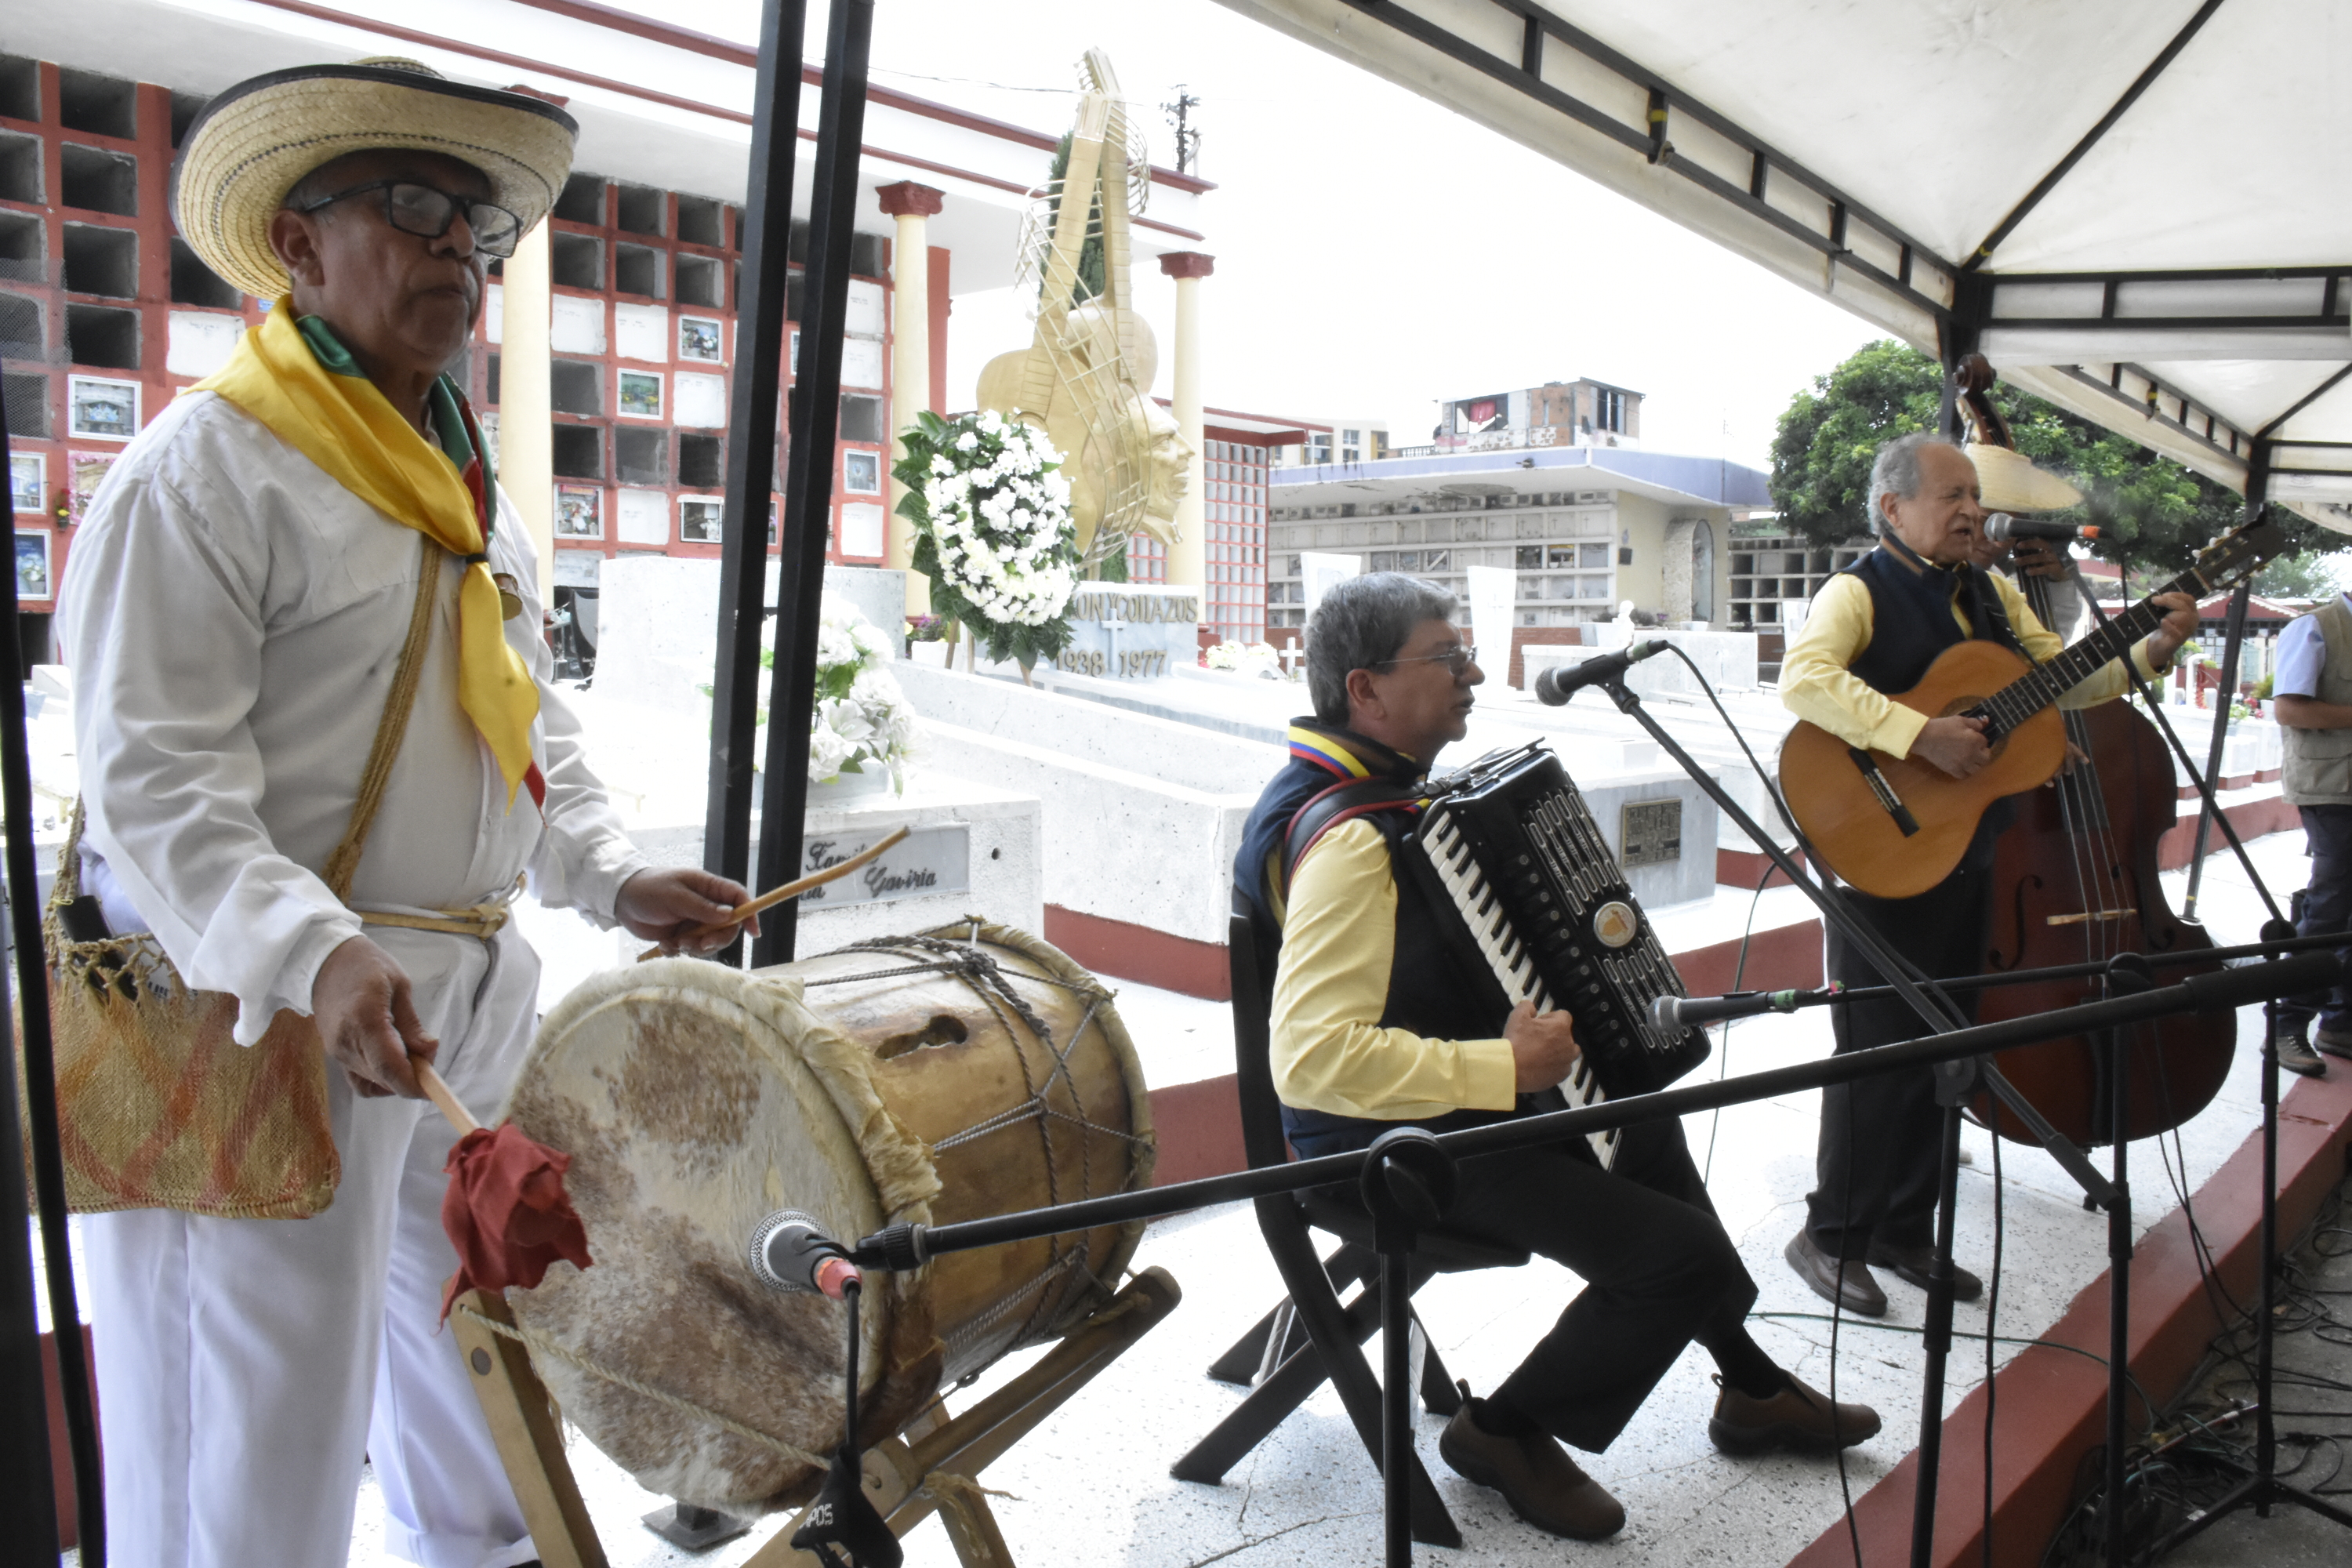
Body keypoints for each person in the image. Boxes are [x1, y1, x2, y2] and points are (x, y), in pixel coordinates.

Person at [60, 60, 758, 1568]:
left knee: (475, 1346)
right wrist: (313, 955)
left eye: (482, 231)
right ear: (301, 247)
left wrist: (611, 872)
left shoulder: (459, 479)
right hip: (259, 1014)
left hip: (451, 1000)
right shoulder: (207, 471)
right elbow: (153, 781)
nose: (460, 251)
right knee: (260, 1405)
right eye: (419, 210)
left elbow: (518, 721)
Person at [1234, 574, 1879, 1543]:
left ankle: (1747, 1382)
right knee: (1680, 1254)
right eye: (1447, 659)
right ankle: (1503, 1431)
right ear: (1366, 691)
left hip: (1423, 1113)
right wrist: (1502, 1069)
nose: (1473, 672)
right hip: (1382, 1145)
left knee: (1643, 1120)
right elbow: (1314, 1061)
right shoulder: (1352, 842)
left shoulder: (1357, 793)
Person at [1777, 434, 2198, 1316]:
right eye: (1953, 494)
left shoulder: (1995, 592)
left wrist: (2150, 646)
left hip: (1969, 853)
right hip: (1878, 846)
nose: (1974, 508)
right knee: (1877, 1049)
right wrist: (1917, 732)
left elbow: (2067, 682)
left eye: (1976, 494)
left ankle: (1903, 1226)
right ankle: (1830, 1233)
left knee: (1951, 1046)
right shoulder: (1856, 589)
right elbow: (1804, 679)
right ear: (1894, 508)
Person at [2263, 585, 2352, 1077]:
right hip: (2330, 786)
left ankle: (2340, 1024)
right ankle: (2286, 1023)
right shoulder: (2317, 626)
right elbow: (2290, 709)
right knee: (2331, 904)